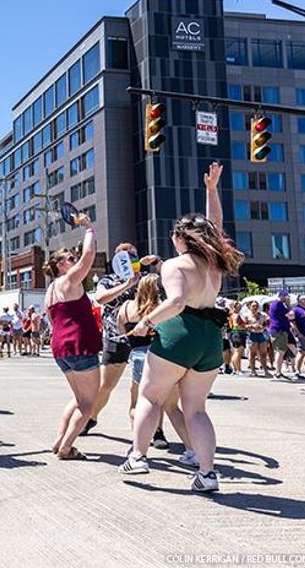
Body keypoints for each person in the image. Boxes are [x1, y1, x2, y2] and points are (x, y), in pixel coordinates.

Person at [119, 162, 244, 493]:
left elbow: (175, 302)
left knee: (150, 397)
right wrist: (212, 190)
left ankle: (138, 457)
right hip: (210, 337)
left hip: (180, 331)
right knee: (197, 410)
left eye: (174, 235)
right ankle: (206, 473)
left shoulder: (175, 264)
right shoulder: (214, 261)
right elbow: (216, 226)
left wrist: (146, 322)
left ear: (180, 237)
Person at [122, 274, 199, 468]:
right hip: (165, 358)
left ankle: (137, 451)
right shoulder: (164, 309)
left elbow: (123, 334)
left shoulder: (126, 308)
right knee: (172, 408)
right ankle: (193, 450)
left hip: (139, 358)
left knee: (137, 405)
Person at [87, 242, 160, 436]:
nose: (132, 259)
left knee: (148, 388)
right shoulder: (108, 280)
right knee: (105, 386)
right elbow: (100, 298)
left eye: (134, 256)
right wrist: (126, 284)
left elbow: (171, 285)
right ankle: (91, 417)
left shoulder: (146, 279)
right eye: (127, 257)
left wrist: (156, 262)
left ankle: (156, 430)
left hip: (144, 338)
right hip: (116, 337)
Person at [43, 214, 101, 460]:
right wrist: (88, 228)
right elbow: (88, 258)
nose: (73, 259)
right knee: (88, 404)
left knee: (79, 399)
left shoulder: (51, 289)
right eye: (69, 258)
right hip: (79, 345)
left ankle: (59, 440)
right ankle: (67, 447)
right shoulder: (68, 280)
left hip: (61, 348)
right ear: (60, 265)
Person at [268, 290, 293, 380]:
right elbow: (290, 315)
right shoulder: (279, 304)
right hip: (280, 330)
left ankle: (278, 371)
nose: (287, 298)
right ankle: (278, 372)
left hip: (277, 329)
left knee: (279, 351)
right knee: (280, 351)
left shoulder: (274, 304)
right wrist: (289, 305)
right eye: (285, 297)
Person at [243, 300, 269, 377]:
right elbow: (243, 326)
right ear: (249, 307)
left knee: (263, 353)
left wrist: (263, 326)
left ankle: (265, 369)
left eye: (256, 306)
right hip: (252, 334)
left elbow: (267, 323)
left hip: (261, 334)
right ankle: (253, 370)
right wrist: (252, 326)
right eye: (253, 306)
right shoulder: (246, 315)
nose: (255, 307)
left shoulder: (262, 315)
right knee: (253, 353)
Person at [291, 295, 305, 379]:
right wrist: (298, 333)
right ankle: (297, 371)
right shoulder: (295, 310)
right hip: (302, 334)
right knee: (301, 352)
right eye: (303, 299)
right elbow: (292, 323)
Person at [227, 301, 247, 375]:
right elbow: (235, 325)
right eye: (238, 304)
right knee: (238, 352)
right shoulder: (235, 315)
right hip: (238, 333)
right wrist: (245, 327)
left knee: (236, 352)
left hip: (235, 333)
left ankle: (236, 370)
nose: (240, 305)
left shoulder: (232, 314)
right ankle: (238, 370)